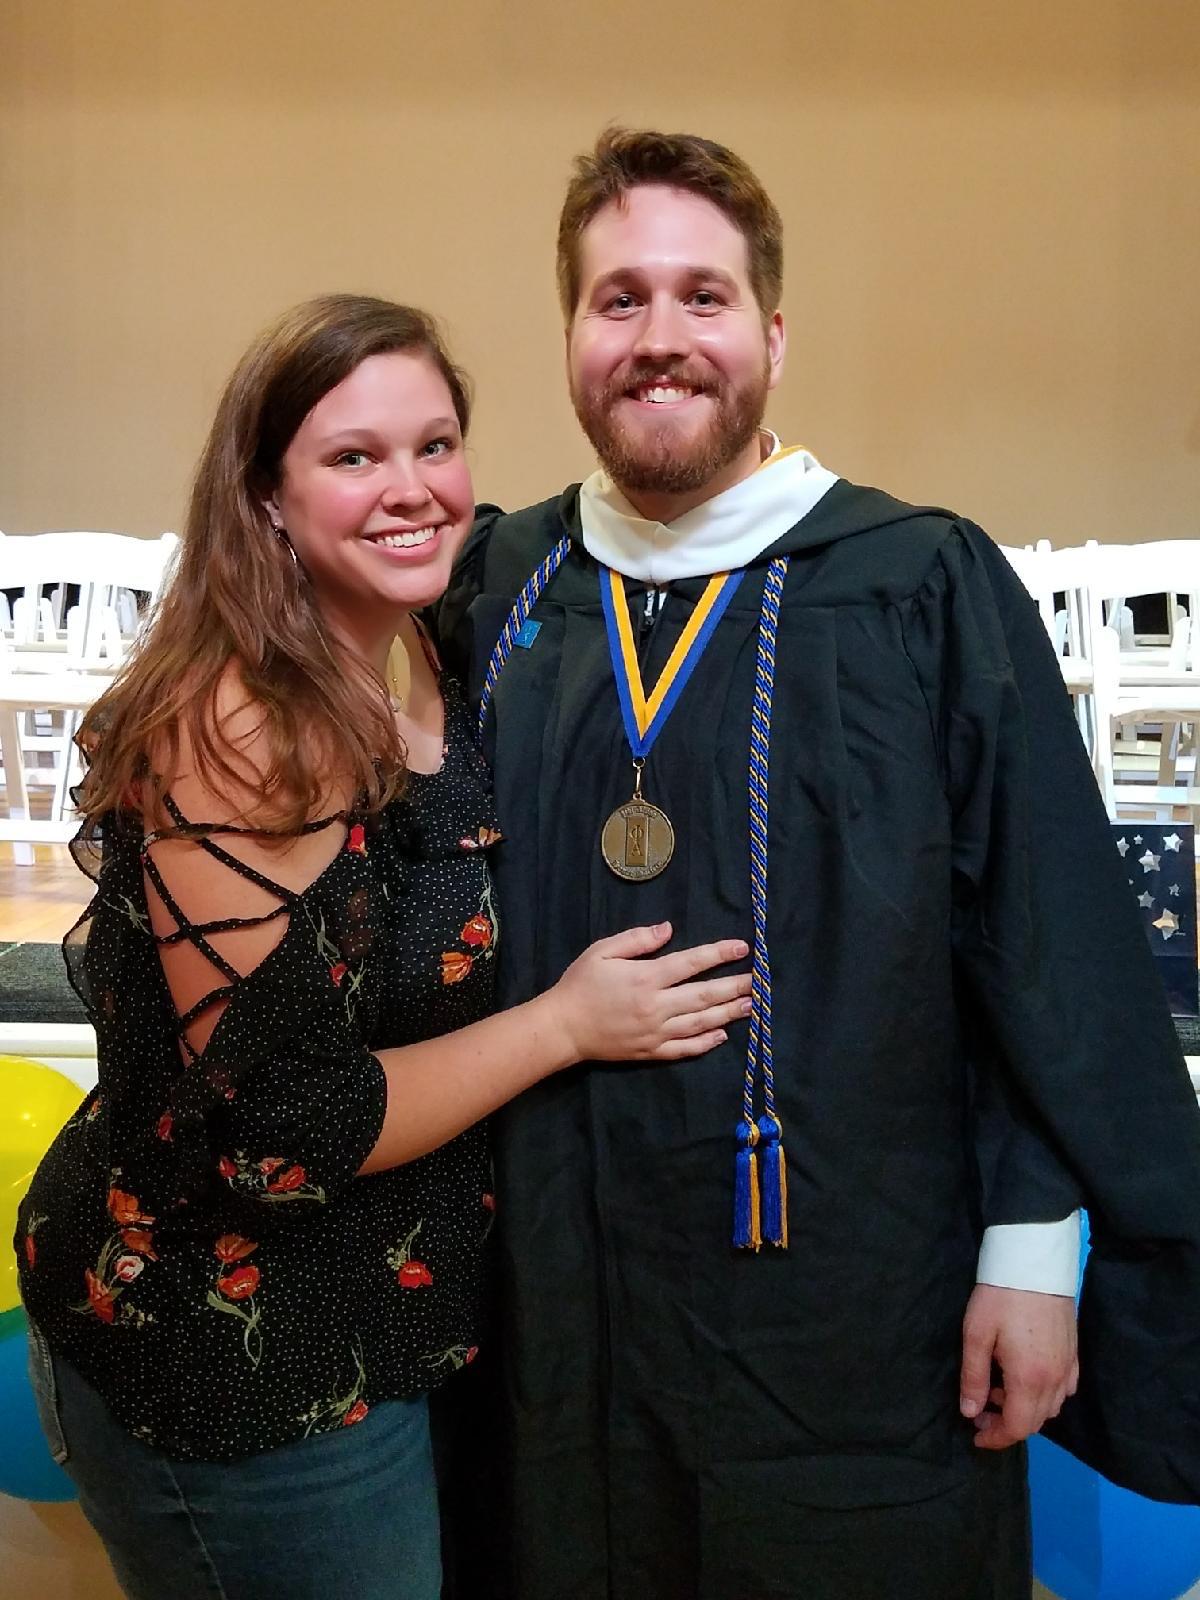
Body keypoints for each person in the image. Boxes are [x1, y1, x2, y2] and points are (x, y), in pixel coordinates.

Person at [436, 130, 1200, 1598]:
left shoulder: (919, 581)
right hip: (550, 1305)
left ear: (772, 338)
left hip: (858, 1305)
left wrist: (1034, 1261)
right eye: (619, 300)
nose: (662, 340)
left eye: (704, 299)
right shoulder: (497, 586)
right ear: (572, 336)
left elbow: (1039, 937)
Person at [14, 293, 755, 1600]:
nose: (410, 488)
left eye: (435, 444)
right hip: (242, 1353)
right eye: (353, 457)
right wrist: (570, 1024)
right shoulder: (242, 729)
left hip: (394, 1313)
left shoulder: (424, 636)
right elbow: (287, 1127)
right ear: (266, 500)